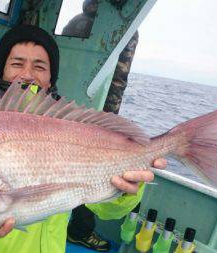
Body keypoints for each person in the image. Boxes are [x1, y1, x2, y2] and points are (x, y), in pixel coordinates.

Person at [0, 24, 166, 253]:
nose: (26, 74)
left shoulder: (72, 130)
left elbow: (107, 211)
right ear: (1, 71)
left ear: (50, 78)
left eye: (39, 66)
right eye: (17, 63)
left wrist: (125, 191)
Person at [67, 31, 140, 252]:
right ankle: (80, 231)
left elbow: (109, 210)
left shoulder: (78, 24)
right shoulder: (126, 28)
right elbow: (118, 82)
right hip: (95, 116)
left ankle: (79, 230)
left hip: (82, 116)